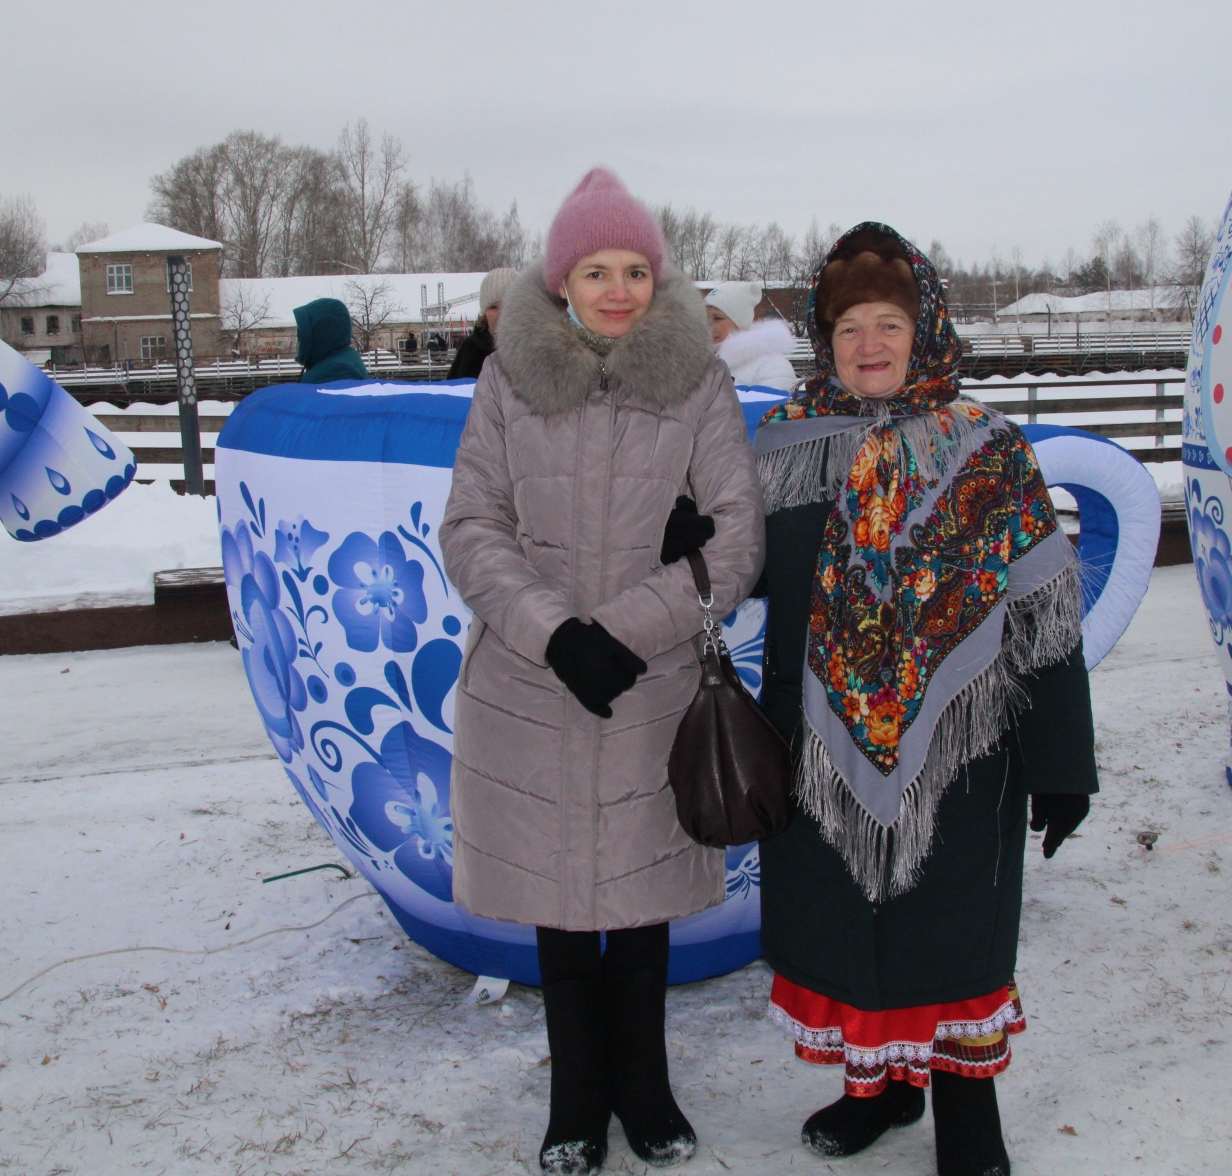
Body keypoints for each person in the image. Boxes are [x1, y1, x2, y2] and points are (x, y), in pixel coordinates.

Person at [751, 224, 1097, 1176]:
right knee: (846, 927)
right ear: (824, 339)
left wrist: (1064, 768)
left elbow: (1043, 619)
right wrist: (690, 530)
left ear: (926, 329)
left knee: (946, 933)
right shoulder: (783, 449)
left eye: (889, 323)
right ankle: (881, 1091)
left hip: (964, 754)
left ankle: (968, 1119)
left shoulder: (990, 452)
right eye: (849, 326)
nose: (869, 343)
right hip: (820, 747)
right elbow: (746, 573)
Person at [440, 167, 765, 1175]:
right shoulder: (506, 381)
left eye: (634, 269)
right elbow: (472, 525)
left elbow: (737, 535)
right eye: (595, 270)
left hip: (650, 679)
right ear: (561, 281)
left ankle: (646, 1086)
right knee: (561, 907)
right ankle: (576, 1096)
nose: (617, 289)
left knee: (639, 895)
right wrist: (555, 634)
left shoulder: (698, 383)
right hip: (531, 682)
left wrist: (624, 631)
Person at [707, 281, 799, 391]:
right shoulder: (700, 363)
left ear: (741, 322)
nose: (708, 325)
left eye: (717, 318)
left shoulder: (772, 367)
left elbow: (771, 402)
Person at [449, 267, 518, 380]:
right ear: (485, 313)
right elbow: (453, 387)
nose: (501, 313)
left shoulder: (537, 348)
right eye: (493, 307)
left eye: (508, 305)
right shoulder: (470, 349)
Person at [293, 297, 366, 383]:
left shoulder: (337, 371)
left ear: (320, 332)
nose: (300, 338)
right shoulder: (335, 360)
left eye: (303, 332)